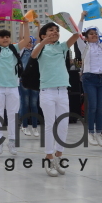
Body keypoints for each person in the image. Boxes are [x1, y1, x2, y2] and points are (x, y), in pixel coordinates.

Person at [31, 21, 79, 177]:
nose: (55, 32)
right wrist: (44, 40)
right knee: (50, 125)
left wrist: (79, 19)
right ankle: (48, 157)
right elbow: (33, 55)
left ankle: (59, 155)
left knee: (63, 125)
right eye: (51, 30)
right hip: (47, 91)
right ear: (43, 35)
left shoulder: (62, 47)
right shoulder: (41, 48)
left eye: (57, 30)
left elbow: (76, 35)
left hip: (62, 91)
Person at [0, 15, 29, 155]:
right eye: (2, 37)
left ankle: (12, 142)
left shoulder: (14, 48)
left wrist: (26, 24)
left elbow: (27, 40)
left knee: (13, 115)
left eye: (7, 37)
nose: (5, 39)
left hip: (12, 87)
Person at [76, 10, 102, 146]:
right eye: (91, 34)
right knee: (92, 106)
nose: (95, 35)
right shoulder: (84, 47)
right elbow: (77, 33)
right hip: (89, 78)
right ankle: (89, 132)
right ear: (86, 37)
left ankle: (98, 132)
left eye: (96, 33)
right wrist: (82, 18)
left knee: (101, 107)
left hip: (101, 78)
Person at [19, 35, 40, 137]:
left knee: (34, 104)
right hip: (24, 80)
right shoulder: (21, 51)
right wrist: (23, 23)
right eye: (27, 42)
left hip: (34, 80)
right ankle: (24, 126)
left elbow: (40, 39)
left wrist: (39, 25)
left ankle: (35, 127)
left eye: (30, 42)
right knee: (25, 103)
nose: (29, 43)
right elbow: (21, 37)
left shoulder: (35, 51)